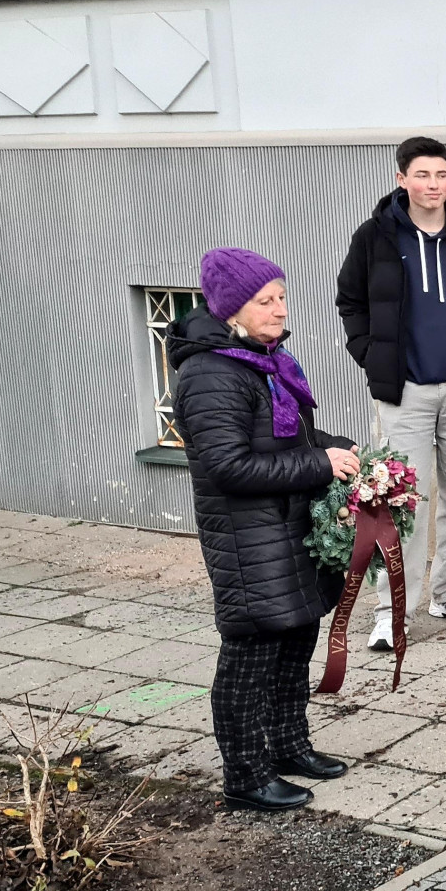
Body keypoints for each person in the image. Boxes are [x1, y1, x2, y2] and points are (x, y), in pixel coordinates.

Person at [171, 248, 359, 812]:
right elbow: (229, 467)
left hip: (286, 528)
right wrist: (320, 464)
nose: (280, 310)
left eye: (281, 297)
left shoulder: (263, 358)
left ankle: (288, 746)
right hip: (248, 538)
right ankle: (247, 775)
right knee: (251, 657)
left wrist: (340, 449)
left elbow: (287, 437)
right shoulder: (210, 373)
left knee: (296, 641)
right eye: (264, 301)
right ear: (231, 309)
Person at [337, 136, 446, 649]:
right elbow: (350, 301)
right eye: (422, 175)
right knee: (399, 503)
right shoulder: (374, 237)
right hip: (405, 393)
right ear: (402, 180)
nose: (433, 184)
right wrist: (372, 355)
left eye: (441, 174)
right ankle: (392, 610)